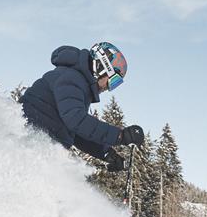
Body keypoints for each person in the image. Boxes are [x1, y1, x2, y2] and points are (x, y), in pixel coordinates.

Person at [21, 42, 144, 171]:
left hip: (37, 145)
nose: (108, 88)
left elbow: (76, 131)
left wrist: (107, 153)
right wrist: (120, 136)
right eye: (113, 81)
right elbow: (76, 120)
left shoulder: (78, 84)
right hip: (27, 142)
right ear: (101, 67)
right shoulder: (71, 78)